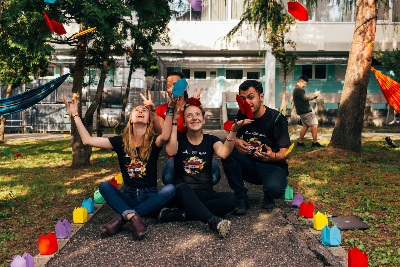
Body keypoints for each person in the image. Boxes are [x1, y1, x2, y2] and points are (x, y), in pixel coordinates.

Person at [59, 92, 177, 240]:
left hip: (151, 196)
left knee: (170, 189)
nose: (140, 112)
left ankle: (123, 217)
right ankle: (134, 217)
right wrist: (75, 114)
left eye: (144, 111)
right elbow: (87, 140)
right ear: (131, 120)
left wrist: (171, 107)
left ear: (148, 120)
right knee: (104, 186)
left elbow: (166, 135)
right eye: (137, 110)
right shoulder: (120, 142)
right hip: (128, 195)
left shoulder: (154, 142)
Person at [159, 104, 252, 237]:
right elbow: (171, 151)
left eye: (197, 114)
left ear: (203, 120)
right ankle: (212, 220)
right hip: (183, 194)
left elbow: (224, 153)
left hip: (205, 194)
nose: (194, 118)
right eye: (189, 115)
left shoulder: (211, 140)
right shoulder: (179, 140)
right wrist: (174, 121)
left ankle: (180, 214)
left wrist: (233, 130)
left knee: (231, 199)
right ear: (184, 122)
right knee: (183, 187)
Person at [221, 80, 291, 215]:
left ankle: (269, 193)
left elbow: (286, 152)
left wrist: (274, 156)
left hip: (273, 165)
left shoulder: (276, 118)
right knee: (227, 151)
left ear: (261, 97)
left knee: (275, 190)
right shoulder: (242, 114)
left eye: (251, 97)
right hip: (250, 164)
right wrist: (235, 142)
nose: (246, 102)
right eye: (243, 99)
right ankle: (241, 198)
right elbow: (232, 135)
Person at [152, 71, 221, 185]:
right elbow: (163, 135)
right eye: (168, 86)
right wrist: (155, 114)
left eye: (175, 84)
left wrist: (196, 105)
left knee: (214, 175)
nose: (171, 88)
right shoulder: (162, 109)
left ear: (184, 87)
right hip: (175, 153)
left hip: (198, 152)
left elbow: (199, 130)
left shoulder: (193, 105)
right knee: (168, 178)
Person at [292, 75, 324, 147]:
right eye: (304, 83)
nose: (305, 85)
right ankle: (315, 143)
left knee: (305, 126)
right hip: (306, 111)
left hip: (302, 111)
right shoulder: (299, 89)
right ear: (300, 81)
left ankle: (300, 143)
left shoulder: (296, 88)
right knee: (315, 124)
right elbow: (305, 98)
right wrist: (315, 95)